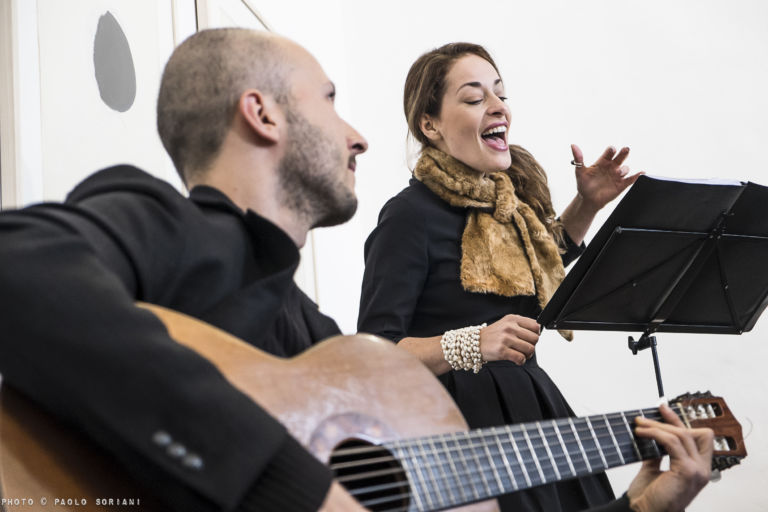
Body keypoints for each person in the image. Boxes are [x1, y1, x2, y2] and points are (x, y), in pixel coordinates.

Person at [0, 30, 712, 512]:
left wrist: (640, 505)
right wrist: (290, 483)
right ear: (263, 114)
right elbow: (19, 268)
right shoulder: (173, 228)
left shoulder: (319, 343)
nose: (361, 135)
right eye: (332, 101)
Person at [356, 41, 674, 511]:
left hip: (532, 411)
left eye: (500, 94)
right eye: (474, 97)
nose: (497, 106)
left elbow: (537, 265)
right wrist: (474, 342)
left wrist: (586, 204)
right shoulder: (408, 216)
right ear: (430, 125)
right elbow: (371, 358)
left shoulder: (509, 207)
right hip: (458, 432)